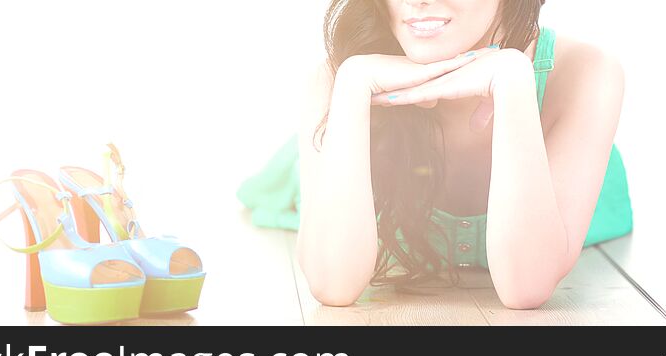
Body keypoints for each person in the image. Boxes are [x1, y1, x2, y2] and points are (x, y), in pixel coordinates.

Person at [239, 0, 633, 309]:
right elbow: (333, 285)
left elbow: (526, 287)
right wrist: (355, 83)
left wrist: (512, 80)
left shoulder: (585, 73)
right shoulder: (338, 78)